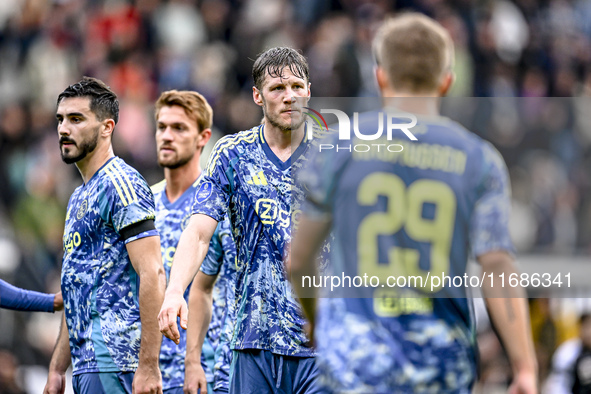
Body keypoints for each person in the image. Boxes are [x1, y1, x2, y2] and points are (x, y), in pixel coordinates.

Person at [289, 13, 538, 393]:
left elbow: (299, 260)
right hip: (440, 365)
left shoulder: (338, 146)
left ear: (380, 76)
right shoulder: (480, 159)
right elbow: (498, 266)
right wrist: (524, 367)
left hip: (355, 362)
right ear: (448, 81)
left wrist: (318, 319)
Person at [158, 47, 322, 393]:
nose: (289, 96)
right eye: (277, 89)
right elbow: (200, 231)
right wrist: (175, 291)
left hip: (320, 345)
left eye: (296, 86)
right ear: (258, 96)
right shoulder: (233, 154)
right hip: (253, 343)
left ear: (308, 90)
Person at [44, 77, 165, 394]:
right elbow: (76, 288)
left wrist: (149, 366)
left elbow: (152, 271)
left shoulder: (120, 182)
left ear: (107, 127)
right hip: (87, 365)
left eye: (76, 119)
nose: (63, 129)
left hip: (117, 362)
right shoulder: (77, 198)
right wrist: (58, 368)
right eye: (60, 119)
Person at [151, 89, 235, 394]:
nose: (167, 136)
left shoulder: (217, 203)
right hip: (154, 369)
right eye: (162, 127)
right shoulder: (143, 204)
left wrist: (196, 361)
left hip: (207, 370)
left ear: (203, 137)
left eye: (179, 128)